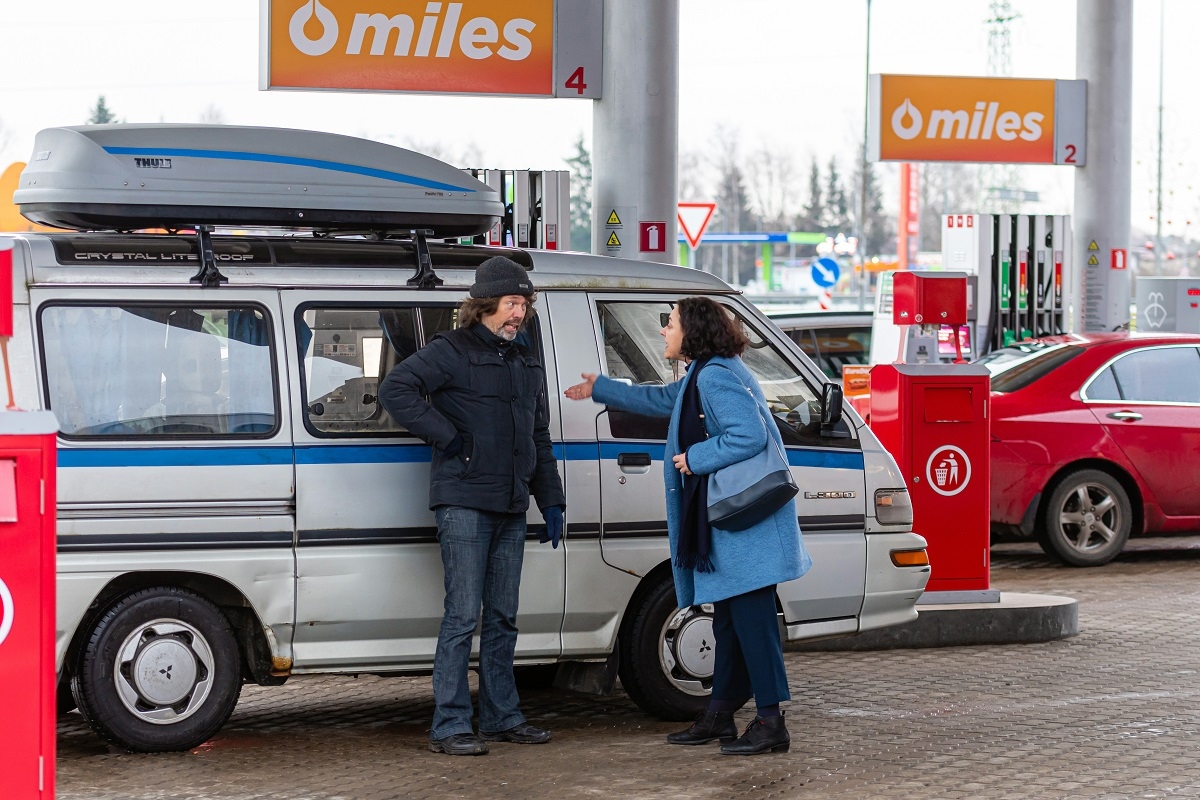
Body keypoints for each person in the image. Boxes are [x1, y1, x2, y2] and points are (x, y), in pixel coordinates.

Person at [564, 296, 811, 756]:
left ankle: (771, 722)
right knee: (730, 623)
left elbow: (749, 434)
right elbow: (662, 400)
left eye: (671, 323)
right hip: (731, 521)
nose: (664, 331)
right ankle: (719, 714)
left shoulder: (714, 376)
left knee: (753, 623)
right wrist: (602, 389)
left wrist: (693, 459)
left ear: (692, 330)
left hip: (745, 521)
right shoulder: (705, 371)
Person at [380, 256, 566, 757]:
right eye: (511, 304)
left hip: (510, 503)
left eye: (524, 305)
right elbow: (396, 388)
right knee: (463, 615)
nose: (518, 314)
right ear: (484, 305)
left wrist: (551, 499)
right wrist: (451, 440)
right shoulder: (452, 351)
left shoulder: (526, 359)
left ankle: (504, 716)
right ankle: (450, 724)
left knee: (503, 616)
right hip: (463, 501)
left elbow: (539, 434)